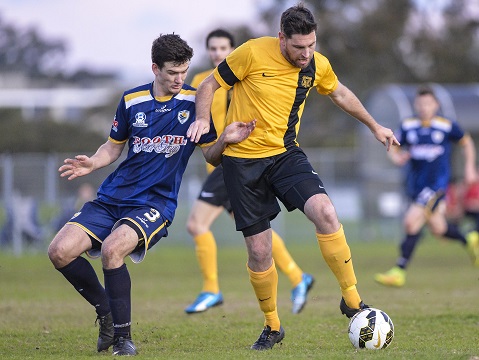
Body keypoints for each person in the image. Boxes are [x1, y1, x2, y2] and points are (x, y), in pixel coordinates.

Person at [187, 3, 399, 351]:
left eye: (311, 45)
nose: (306, 54)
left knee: (327, 213)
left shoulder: (316, 64)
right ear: (281, 37)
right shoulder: (252, 52)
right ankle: (272, 325)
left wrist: (375, 126)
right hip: (240, 163)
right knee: (259, 252)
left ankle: (352, 300)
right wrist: (202, 121)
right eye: (299, 46)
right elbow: (208, 85)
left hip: (285, 155)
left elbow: (341, 93)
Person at [47, 33, 256, 356]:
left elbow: (211, 157)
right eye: (172, 72)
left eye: (183, 72)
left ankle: (122, 338)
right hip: (112, 198)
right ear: (155, 68)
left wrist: (226, 139)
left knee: (113, 250)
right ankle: (106, 311)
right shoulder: (132, 101)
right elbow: (112, 147)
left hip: (155, 203)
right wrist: (93, 161)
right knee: (59, 251)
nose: (179, 79)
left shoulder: (193, 102)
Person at [185, 29, 314, 315]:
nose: (218, 54)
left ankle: (211, 289)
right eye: (213, 49)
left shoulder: (239, 76)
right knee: (259, 234)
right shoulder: (202, 82)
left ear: (233, 51)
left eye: (224, 48)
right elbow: (191, 111)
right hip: (218, 162)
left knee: (196, 225)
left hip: (236, 162)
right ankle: (297, 276)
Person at [375, 85, 478, 287]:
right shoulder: (408, 126)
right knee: (439, 229)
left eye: (428, 103)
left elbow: (466, 143)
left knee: (410, 221)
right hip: (416, 186)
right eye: (420, 103)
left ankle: (399, 271)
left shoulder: (446, 125)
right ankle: (469, 238)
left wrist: (469, 168)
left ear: (436, 105)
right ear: (416, 104)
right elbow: (392, 145)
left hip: (436, 186)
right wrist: (396, 157)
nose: (424, 107)